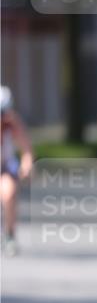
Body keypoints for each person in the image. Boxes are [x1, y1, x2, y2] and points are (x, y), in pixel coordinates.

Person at [1, 86, 34, 257]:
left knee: (9, 193)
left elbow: (26, 149)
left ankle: (9, 234)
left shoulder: (12, 125)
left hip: (4, 168)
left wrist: (26, 165)